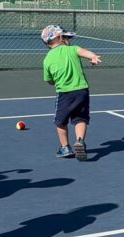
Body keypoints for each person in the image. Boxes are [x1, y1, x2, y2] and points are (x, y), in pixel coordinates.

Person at [41, 24, 102, 161]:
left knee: (60, 122)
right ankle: (80, 140)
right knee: (80, 118)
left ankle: (65, 147)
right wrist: (93, 57)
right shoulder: (73, 49)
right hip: (82, 91)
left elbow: (49, 80)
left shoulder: (47, 59)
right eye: (67, 37)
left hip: (64, 94)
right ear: (60, 38)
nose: (69, 39)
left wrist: (55, 81)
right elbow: (84, 52)